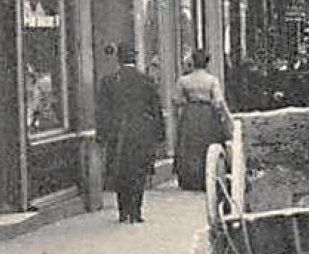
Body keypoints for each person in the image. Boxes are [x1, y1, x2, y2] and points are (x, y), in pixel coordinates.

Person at [97, 42, 165, 224]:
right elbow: (155, 108)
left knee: (121, 172)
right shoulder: (146, 80)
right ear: (134, 58)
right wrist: (160, 134)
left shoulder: (109, 81)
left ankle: (123, 210)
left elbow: (102, 111)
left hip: (118, 134)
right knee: (139, 172)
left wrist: (102, 135)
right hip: (142, 133)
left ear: (118, 59)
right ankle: (136, 211)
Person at [174, 49, 229, 191]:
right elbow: (218, 101)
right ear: (207, 62)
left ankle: (190, 179)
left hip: (190, 113)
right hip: (207, 114)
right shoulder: (211, 80)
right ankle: (206, 177)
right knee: (207, 144)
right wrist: (226, 116)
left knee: (189, 146)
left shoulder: (183, 80)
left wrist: (187, 103)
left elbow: (177, 99)